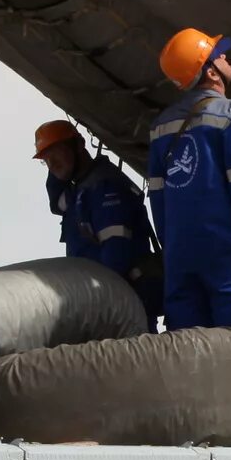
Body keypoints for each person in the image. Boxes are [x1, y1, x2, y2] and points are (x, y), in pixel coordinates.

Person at [146, 29, 231, 330]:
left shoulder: (160, 127)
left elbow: (158, 199)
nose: (226, 56)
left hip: (182, 261)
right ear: (211, 70)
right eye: (219, 54)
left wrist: (174, 248)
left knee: (189, 359)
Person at [35, 119, 161, 321]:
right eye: (45, 159)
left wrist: (96, 302)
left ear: (78, 145)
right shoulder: (78, 191)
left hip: (121, 304)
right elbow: (56, 203)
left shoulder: (104, 187)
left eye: (56, 152)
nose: (52, 163)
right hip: (98, 303)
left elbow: (117, 255)